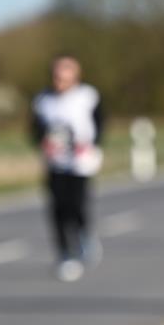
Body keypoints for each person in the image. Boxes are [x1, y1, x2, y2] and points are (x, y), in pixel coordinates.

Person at [32, 55, 103, 281]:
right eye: (56, 76)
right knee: (57, 208)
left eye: (64, 76)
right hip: (55, 162)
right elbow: (35, 128)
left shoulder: (88, 96)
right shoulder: (43, 99)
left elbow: (100, 123)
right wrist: (42, 142)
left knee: (77, 205)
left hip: (81, 163)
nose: (59, 81)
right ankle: (65, 254)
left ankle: (84, 236)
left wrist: (92, 145)